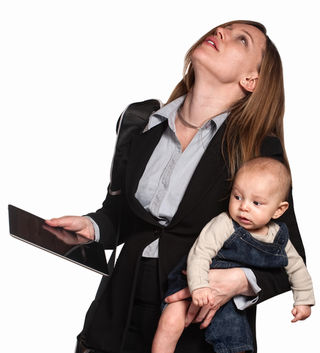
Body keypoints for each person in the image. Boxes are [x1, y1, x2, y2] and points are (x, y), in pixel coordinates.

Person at [45, 20, 308, 353]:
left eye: (241, 40)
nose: (221, 33)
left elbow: (287, 256)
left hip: (195, 326)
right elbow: (123, 215)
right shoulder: (140, 121)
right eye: (221, 29)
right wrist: (94, 226)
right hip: (114, 317)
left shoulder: (258, 149)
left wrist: (239, 281)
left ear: (251, 79)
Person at [151, 157, 315, 353]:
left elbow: (297, 268)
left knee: (236, 341)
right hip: (194, 279)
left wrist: (304, 300)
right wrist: (200, 286)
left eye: (256, 202)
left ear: (279, 210)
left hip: (232, 298)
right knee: (171, 320)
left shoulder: (278, 237)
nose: (244, 207)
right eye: (238, 197)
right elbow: (200, 253)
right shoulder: (224, 224)